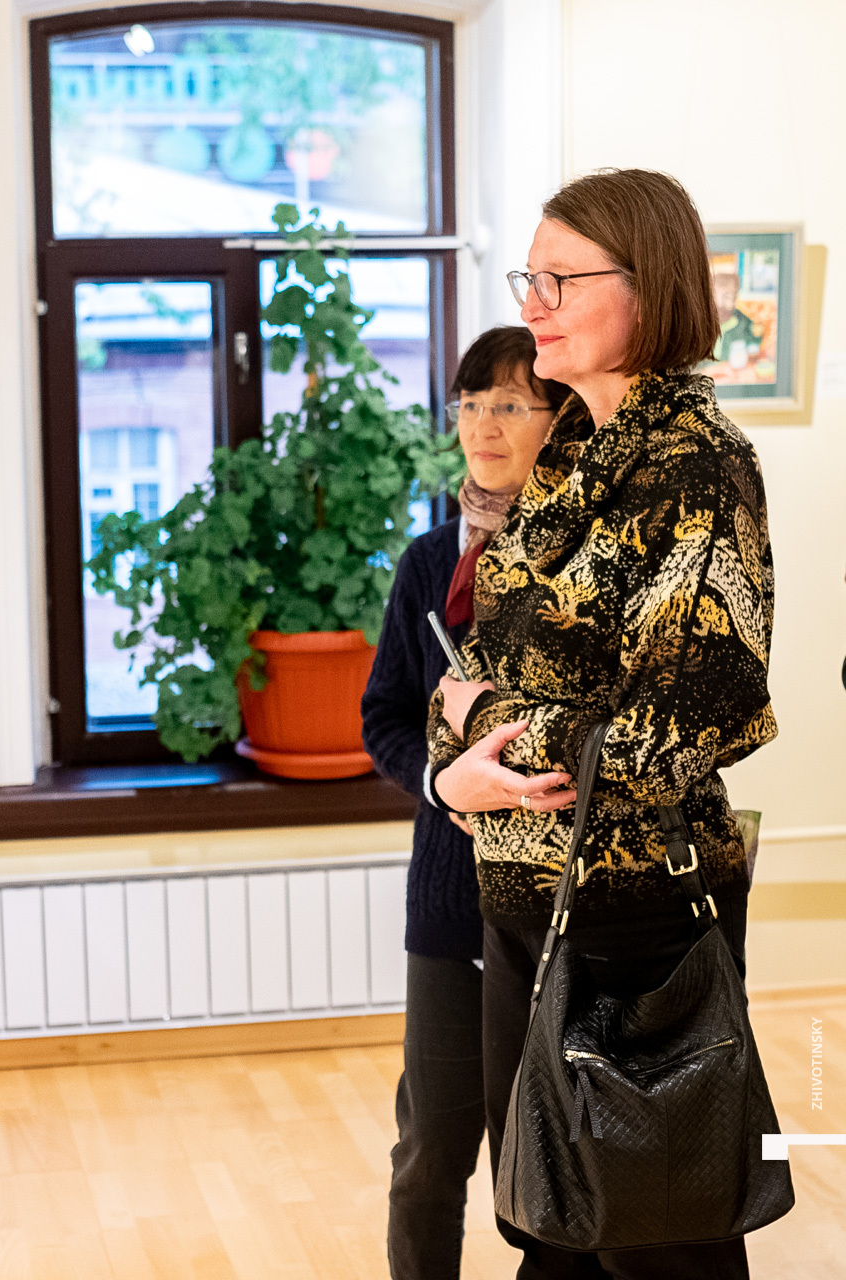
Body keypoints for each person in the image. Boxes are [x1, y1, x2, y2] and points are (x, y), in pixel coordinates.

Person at [431, 168, 774, 1279]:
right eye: (527, 277)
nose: (534, 303)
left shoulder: (700, 468)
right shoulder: (570, 454)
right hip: (520, 898)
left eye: (561, 279)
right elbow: (469, 668)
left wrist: (490, 727)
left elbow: (680, 726)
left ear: (648, 285)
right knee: (549, 1228)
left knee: (660, 1247)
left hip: (633, 916)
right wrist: (453, 775)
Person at [365, 326, 571, 1279]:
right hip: (450, 901)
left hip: (557, 901)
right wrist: (442, 781)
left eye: (510, 405)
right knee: (429, 1154)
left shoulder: (581, 561)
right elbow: (384, 716)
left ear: (558, 420)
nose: (483, 426)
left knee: (550, 1161)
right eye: (471, 404)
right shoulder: (427, 564)